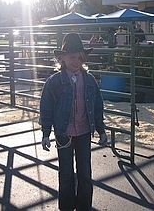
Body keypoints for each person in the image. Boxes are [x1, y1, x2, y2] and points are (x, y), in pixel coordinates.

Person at [39, 33, 107, 211]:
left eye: (78, 57)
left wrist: (101, 130)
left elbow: (97, 107)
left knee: (85, 171)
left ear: (83, 59)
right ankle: (67, 206)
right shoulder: (54, 82)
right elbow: (46, 109)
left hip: (84, 132)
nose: (75, 61)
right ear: (62, 58)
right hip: (64, 134)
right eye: (71, 57)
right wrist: (46, 133)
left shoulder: (89, 80)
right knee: (66, 173)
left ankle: (84, 206)